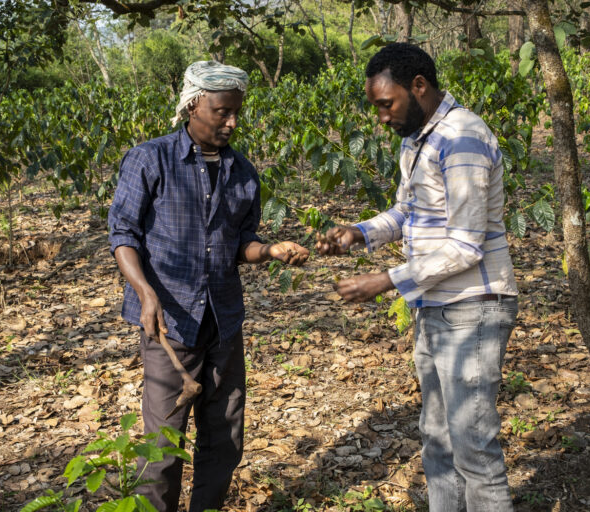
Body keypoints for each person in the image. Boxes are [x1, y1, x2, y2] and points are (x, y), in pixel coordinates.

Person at [316, 43, 519, 512]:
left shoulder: (462, 136)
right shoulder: (419, 137)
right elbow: (409, 211)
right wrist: (359, 233)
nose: (381, 117)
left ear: (419, 87)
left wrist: (385, 280)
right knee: (437, 438)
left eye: (387, 103)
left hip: (474, 305)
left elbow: (466, 244)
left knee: (472, 444)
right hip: (435, 305)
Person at [108, 60, 309, 512]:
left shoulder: (243, 172)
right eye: (221, 111)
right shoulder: (150, 159)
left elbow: (243, 244)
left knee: (224, 440)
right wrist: (145, 292)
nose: (232, 121)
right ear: (193, 106)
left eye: (236, 111)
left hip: (223, 323)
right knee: (161, 448)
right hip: (170, 325)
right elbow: (123, 234)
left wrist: (271, 251)